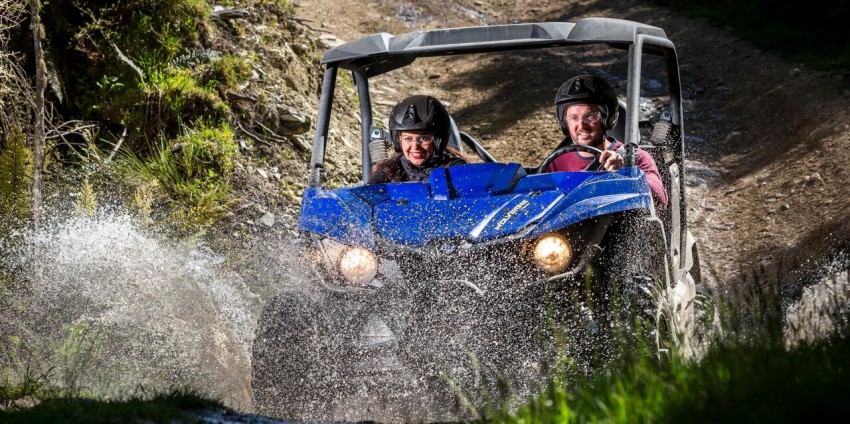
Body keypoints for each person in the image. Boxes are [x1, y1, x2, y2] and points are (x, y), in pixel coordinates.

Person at [548, 75, 668, 209]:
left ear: (607, 119)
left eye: (590, 116)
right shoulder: (556, 163)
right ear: (565, 123)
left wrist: (625, 173)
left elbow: (660, 199)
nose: (581, 125)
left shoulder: (634, 157)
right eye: (573, 118)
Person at [368, 95, 468, 184]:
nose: (415, 146)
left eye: (423, 138)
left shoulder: (454, 168)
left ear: (438, 140)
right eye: (408, 138)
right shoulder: (388, 171)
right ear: (399, 141)